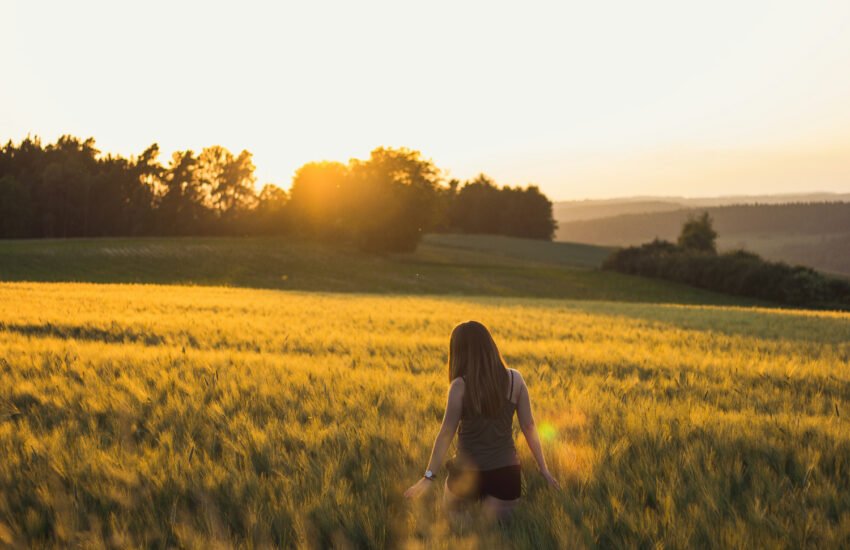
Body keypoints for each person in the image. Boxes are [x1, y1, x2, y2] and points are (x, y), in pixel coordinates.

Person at [403, 320, 559, 521]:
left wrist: (428, 477)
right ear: (490, 346)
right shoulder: (516, 380)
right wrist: (544, 470)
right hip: (505, 475)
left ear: (458, 352)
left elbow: (446, 433)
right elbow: (529, 427)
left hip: (465, 475)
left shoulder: (459, 386)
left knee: (457, 533)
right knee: (499, 534)